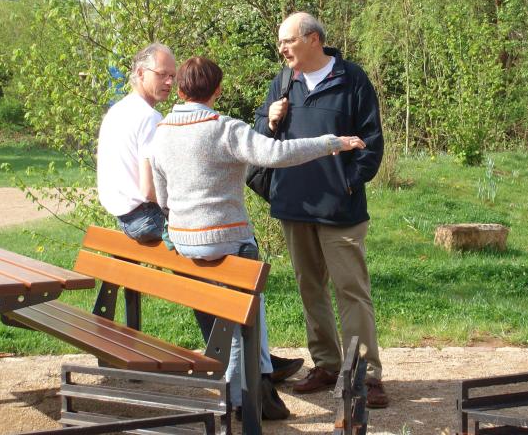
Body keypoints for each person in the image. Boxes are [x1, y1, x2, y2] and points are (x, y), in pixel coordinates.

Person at [150, 56, 366, 419]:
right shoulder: (225, 130)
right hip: (227, 243)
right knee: (242, 324)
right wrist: (333, 142)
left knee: (226, 320)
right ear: (217, 91)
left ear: (182, 89)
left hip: (184, 243)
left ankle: (255, 383)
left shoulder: (163, 131)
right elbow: (278, 154)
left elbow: (163, 196)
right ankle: (241, 398)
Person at [254, 12, 389, 408]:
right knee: (310, 289)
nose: (282, 49)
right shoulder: (282, 82)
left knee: (351, 291)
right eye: (280, 43)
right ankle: (328, 365)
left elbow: (372, 142)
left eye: (288, 41)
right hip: (294, 206)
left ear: (313, 39)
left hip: (340, 209)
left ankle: (366, 374)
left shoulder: (352, 80)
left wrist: (347, 182)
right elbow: (260, 139)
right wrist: (269, 119)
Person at [97, 43, 176, 242]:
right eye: (162, 74)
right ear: (141, 73)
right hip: (147, 218)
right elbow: (149, 190)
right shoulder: (149, 117)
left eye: (173, 76)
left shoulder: (117, 111)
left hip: (125, 219)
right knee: (216, 241)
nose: (169, 82)